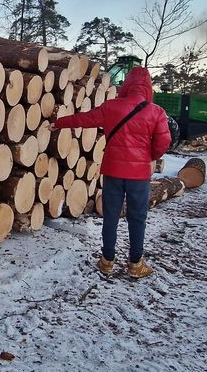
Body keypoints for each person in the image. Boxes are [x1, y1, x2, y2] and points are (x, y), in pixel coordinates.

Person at [48, 67, 171, 278]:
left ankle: (107, 261)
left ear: (127, 84)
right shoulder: (156, 112)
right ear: (148, 86)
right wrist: (148, 156)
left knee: (111, 216)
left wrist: (59, 123)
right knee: (137, 218)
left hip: (113, 171)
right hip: (139, 175)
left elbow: (84, 120)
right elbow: (164, 143)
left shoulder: (112, 107)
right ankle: (136, 264)